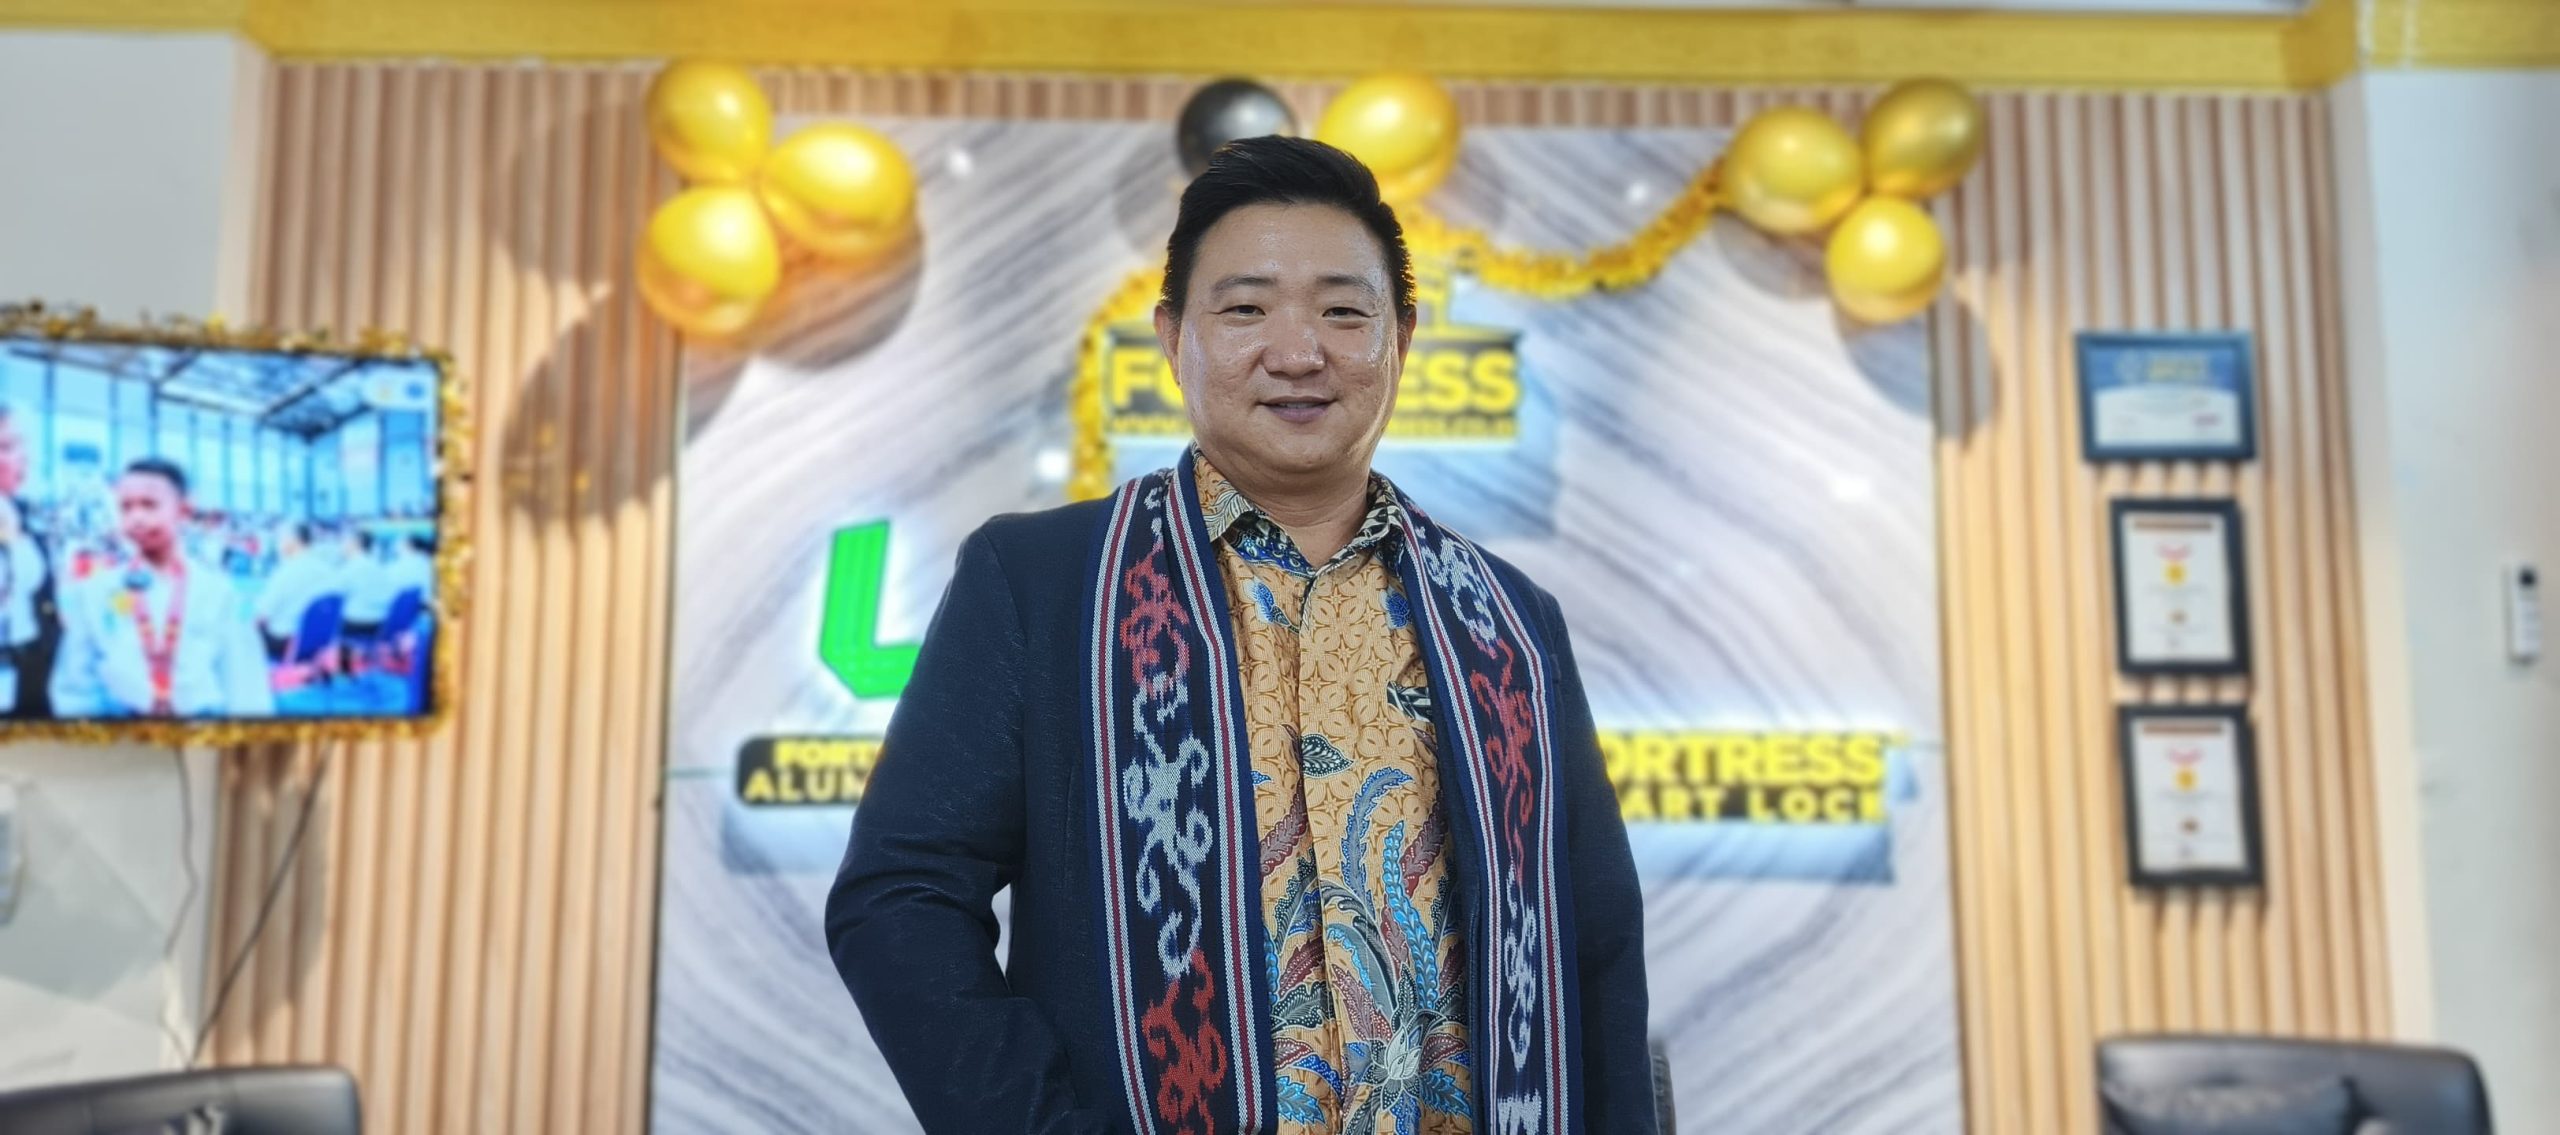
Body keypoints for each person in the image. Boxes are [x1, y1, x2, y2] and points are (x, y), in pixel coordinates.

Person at [825, 137, 1654, 1135]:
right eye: (1246, 309)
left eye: (1343, 311)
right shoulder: (1045, 584)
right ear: (1173, 336)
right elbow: (901, 897)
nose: (1298, 352)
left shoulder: (1505, 621)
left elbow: (1595, 948)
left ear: (1402, 336)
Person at [51, 458, 275, 718]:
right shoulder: (94, 592)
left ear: (184, 510)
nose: (136, 518)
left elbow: (246, 686)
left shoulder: (219, 593)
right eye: (125, 507)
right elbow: (74, 686)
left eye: (149, 505)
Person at [0, 406, 59, 718]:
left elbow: (34, 581)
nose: (22, 457)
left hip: (30, 657)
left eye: (21, 445)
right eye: (6, 447)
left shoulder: (19, 510)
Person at [255, 522, 344, 661]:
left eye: (281, 538)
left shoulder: (286, 572)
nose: (278, 543)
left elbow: (262, 617)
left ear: (292, 540)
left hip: (286, 642)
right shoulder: (329, 571)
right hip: (320, 642)